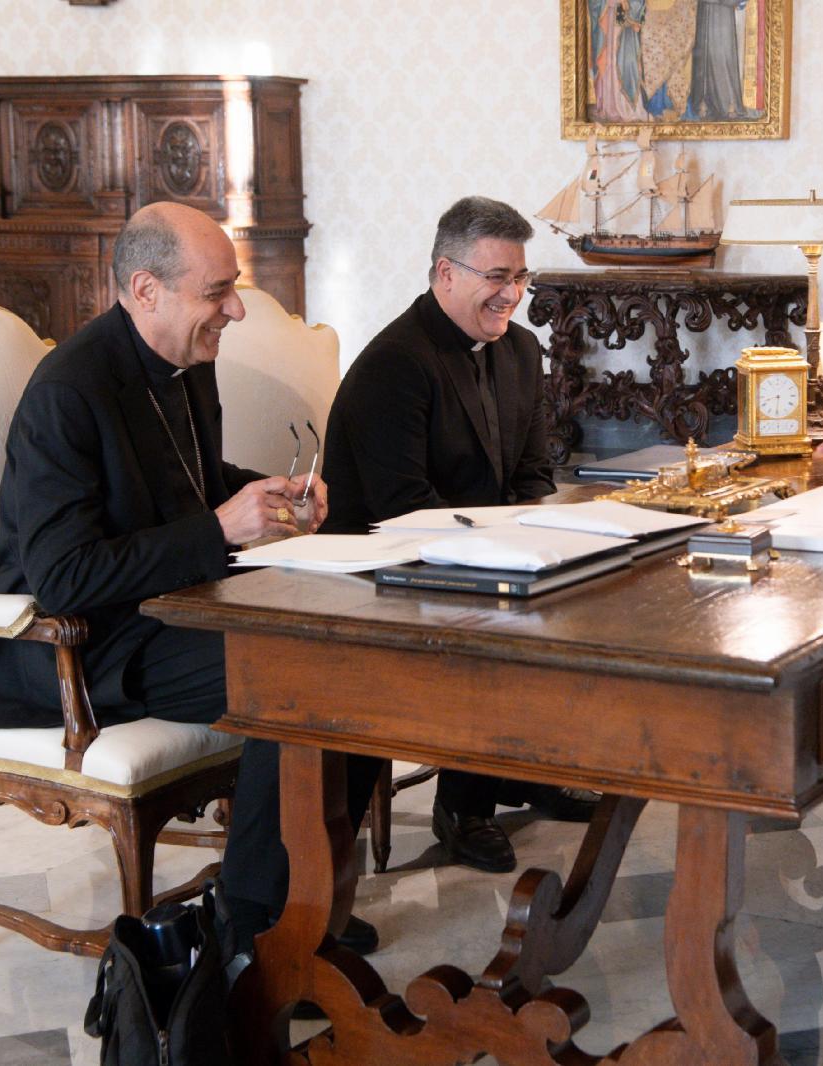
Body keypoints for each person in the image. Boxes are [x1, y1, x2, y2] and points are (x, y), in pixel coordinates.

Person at [0, 201, 379, 958]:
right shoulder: (69, 393)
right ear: (147, 290)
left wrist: (269, 497)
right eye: (217, 291)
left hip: (171, 611)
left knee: (366, 653)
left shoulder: (186, 361)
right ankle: (252, 938)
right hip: (87, 646)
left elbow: (185, 478)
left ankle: (309, 901)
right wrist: (223, 528)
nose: (237, 309)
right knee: (297, 678)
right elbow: (62, 575)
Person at [321, 196, 600, 874]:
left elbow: (534, 471)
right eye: (497, 278)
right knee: (501, 615)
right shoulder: (396, 362)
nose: (513, 294)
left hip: (478, 547)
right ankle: (463, 808)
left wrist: (549, 540)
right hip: (381, 568)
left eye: (521, 277)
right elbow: (400, 508)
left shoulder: (522, 349)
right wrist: (506, 554)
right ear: (445, 273)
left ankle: (521, 765)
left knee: (580, 591)